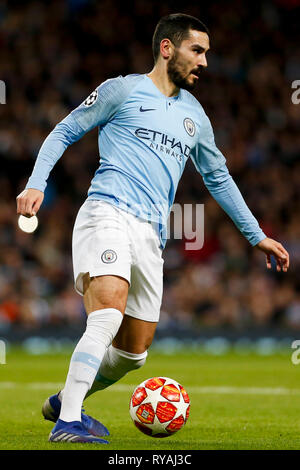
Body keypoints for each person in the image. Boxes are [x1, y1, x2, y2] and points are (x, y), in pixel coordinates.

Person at [16, 13, 289, 444]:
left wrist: (255, 235)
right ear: (167, 48)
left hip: (152, 234)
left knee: (132, 354)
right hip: (107, 212)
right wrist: (36, 182)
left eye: (207, 54)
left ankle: (66, 395)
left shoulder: (194, 115)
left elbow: (218, 177)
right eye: (196, 51)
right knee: (107, 314)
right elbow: (65, 130)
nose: (204, 62)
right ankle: (69, 419)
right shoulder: (122, 89)